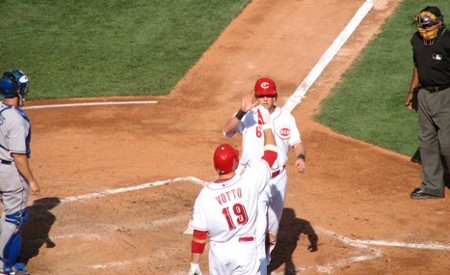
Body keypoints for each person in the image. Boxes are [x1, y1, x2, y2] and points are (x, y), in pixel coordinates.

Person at [223, 77, 306, 272]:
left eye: (269, 95)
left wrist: (301, 156)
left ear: (275, 96)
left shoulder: (286, 118)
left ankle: (265, 261)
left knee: (272, 228)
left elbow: (297, 142)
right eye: (261, 95)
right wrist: (242, 111)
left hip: (277, 179)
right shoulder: (248, 115)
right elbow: (227, 130)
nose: (265, 99)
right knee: (255, 225)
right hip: (252, 179)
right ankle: (255, 264)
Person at [187, 102, 277, 275]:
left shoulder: (205, 195)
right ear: (236, 163)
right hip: (245, 252)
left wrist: (194, 264)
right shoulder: (249, 180)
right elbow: (271, 154)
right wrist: (266, 124)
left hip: (219, 254)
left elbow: (199, 234)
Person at [404, 6, 450, 199]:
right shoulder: (416, 40)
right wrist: (412, 91)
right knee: (427, 141)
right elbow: (417, 66)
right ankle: (432, 187)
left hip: (445, 94)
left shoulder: (447, 41)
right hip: (423, 94)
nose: (423, 28)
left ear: (438, 23)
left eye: (428, 24)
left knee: (447, 143)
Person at [0, 69, 41, 275]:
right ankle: (4, 268)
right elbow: (18, 156)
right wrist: (32, 181)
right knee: (15, 218)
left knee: (7, 213)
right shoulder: (16, 119)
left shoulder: (0, 110)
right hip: (9, 173)